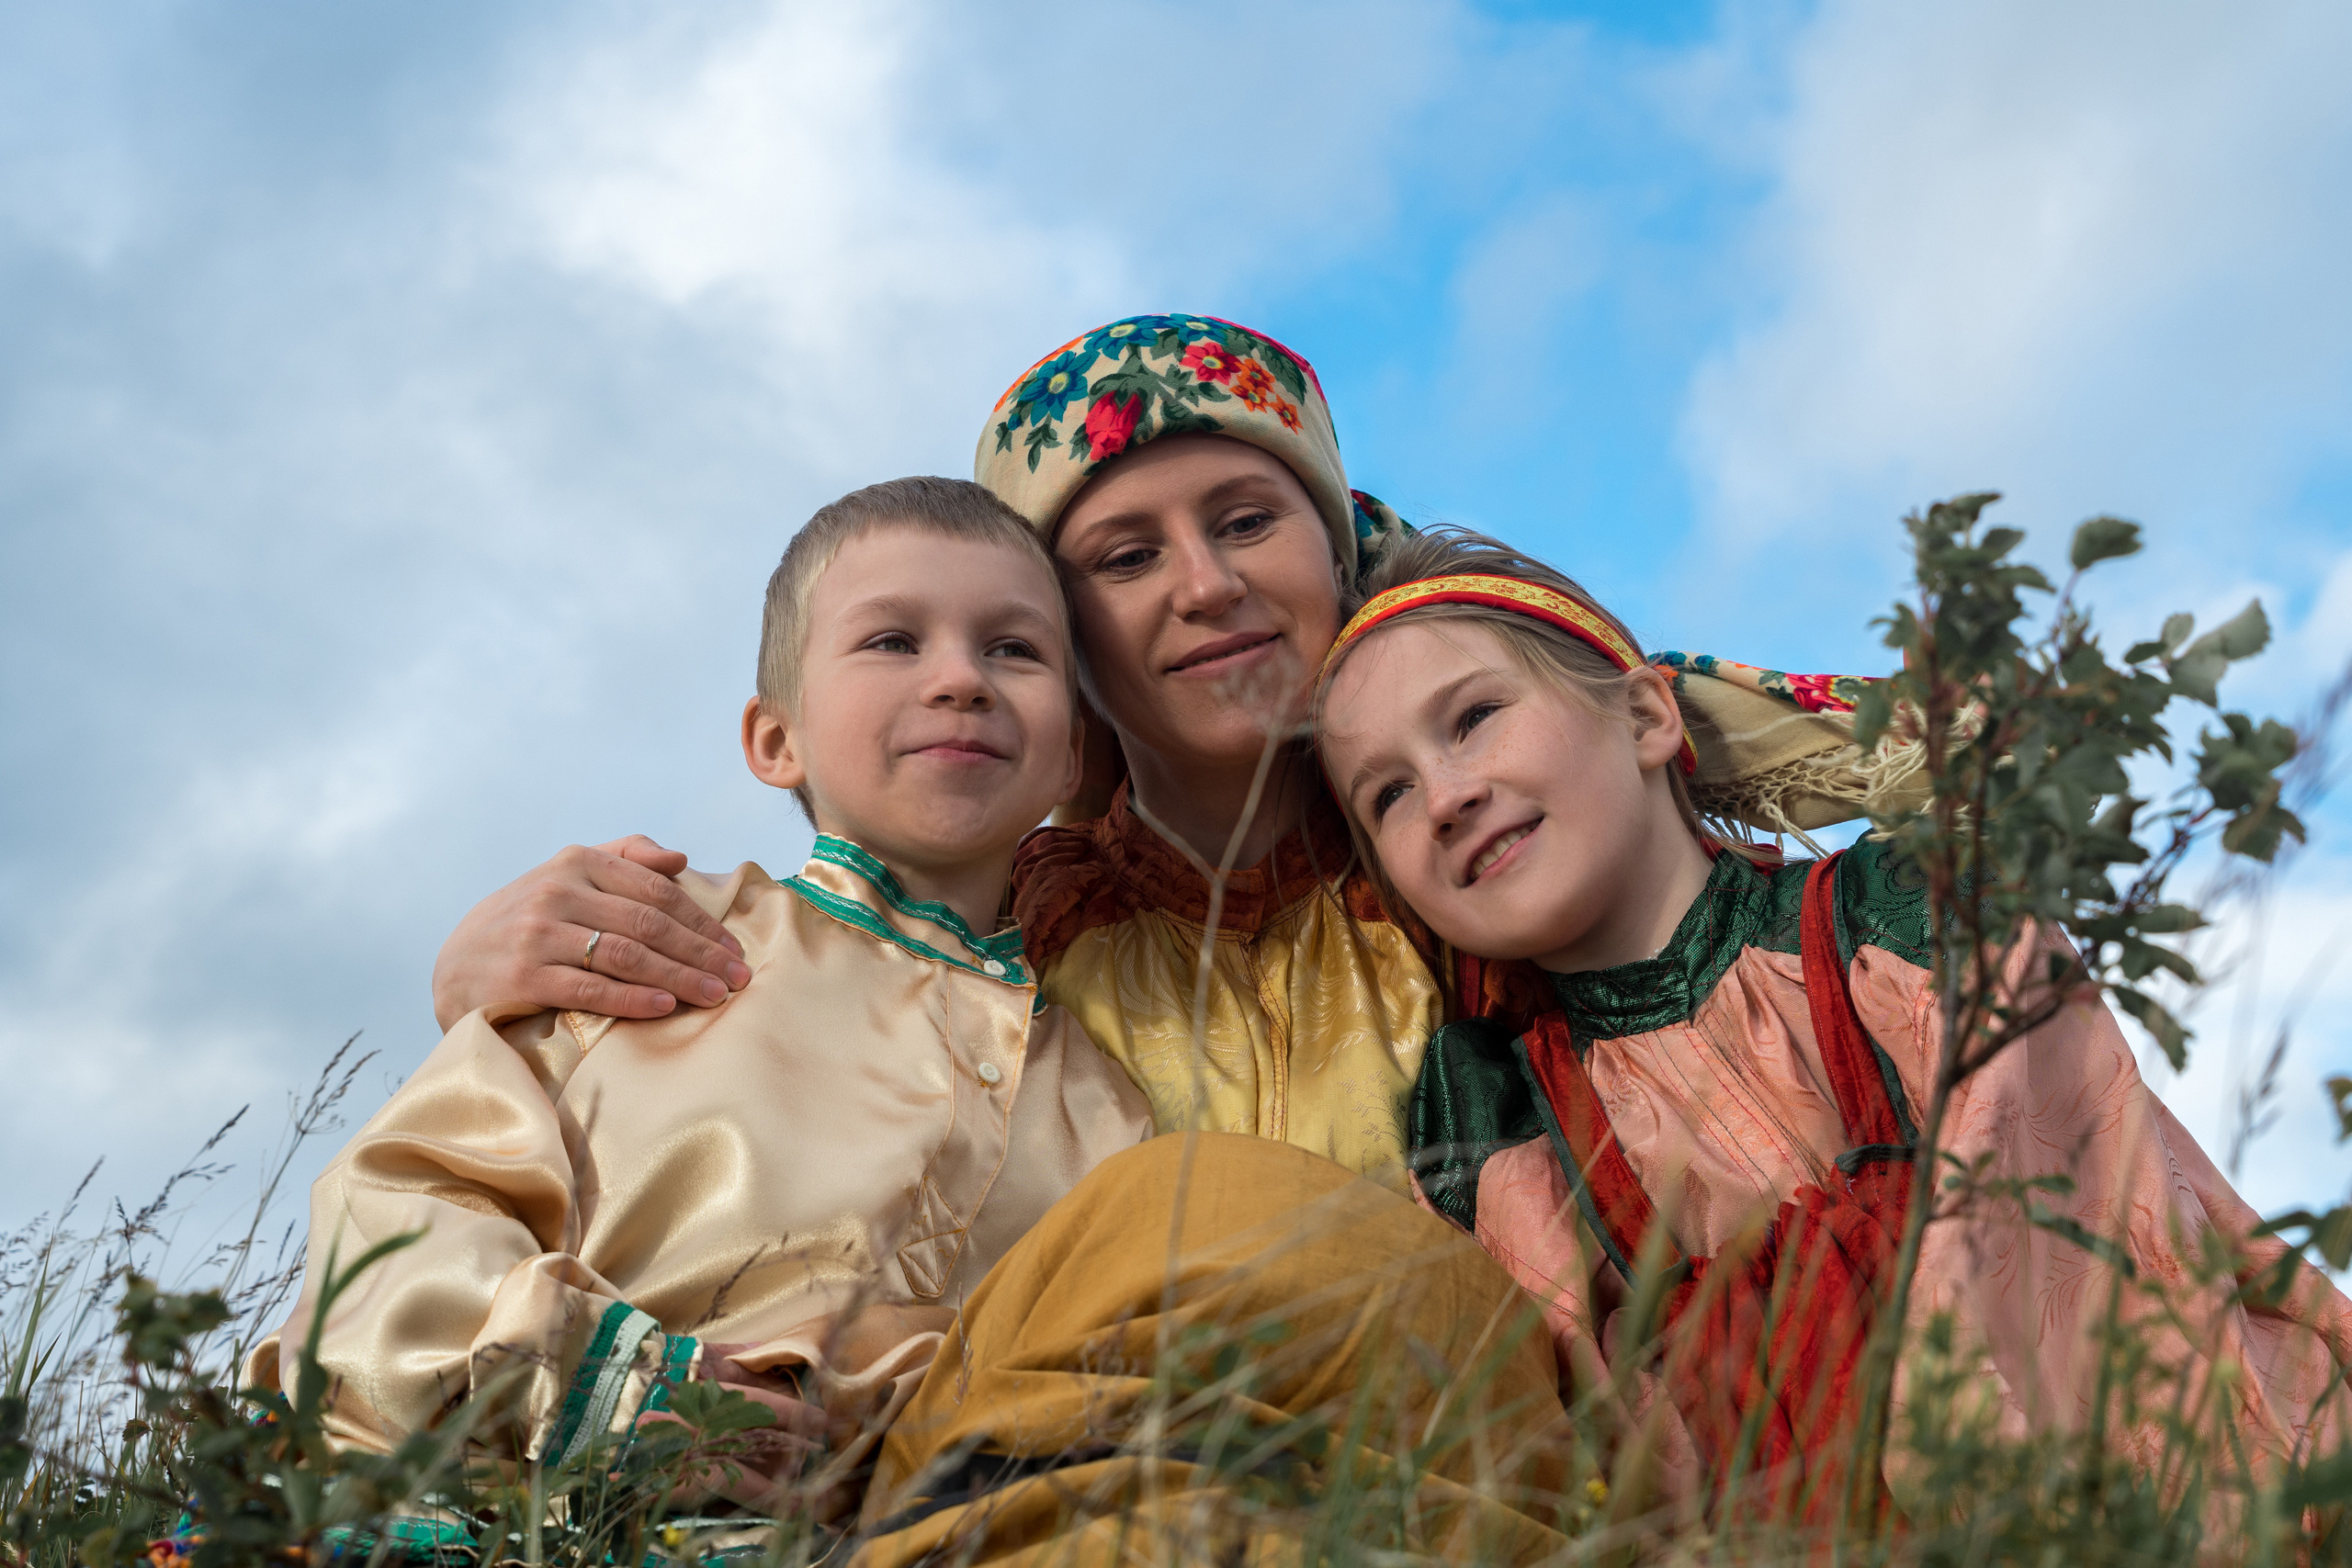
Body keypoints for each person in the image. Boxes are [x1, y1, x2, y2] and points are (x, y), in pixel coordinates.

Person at [426, 313, 1908, 1188]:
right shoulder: (1021, 932)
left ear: (1339, 558)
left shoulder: (1484, 852)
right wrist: (485, 981)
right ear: (1062, 653)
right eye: (1126, 556)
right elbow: (809, 1037)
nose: (1205, 585)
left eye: (1250, 522)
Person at [1311, 525, 2352, 1519]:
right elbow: (1598, 1453)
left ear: (1642, 719)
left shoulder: (1900, 919)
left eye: (1472, 717)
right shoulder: (1511, 1123)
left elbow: (2068, 1237)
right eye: (1387, 795)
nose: (1442, 795)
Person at [247, 478, 1155, 1518]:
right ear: (777, 740)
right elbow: (396, 1218)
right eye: (893, 642)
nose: (961, 679)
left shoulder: (1109, 1104)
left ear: (1073, 751)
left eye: (1015, 650)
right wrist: (604, 1391)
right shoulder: (648, 939)